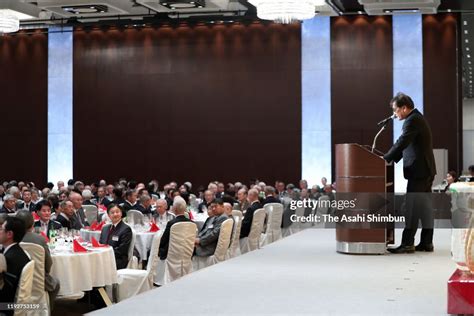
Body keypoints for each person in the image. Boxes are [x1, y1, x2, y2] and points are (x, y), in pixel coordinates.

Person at [383, 93, 436, 253]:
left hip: (419, 172)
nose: (394, 114)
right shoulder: (416, 118)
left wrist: (385, 158)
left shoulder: (412, 120)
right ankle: (426, 243)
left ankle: (407, 243)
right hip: (425, 170)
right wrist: (391, 159)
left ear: (404, 108)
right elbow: (407, 144)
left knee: (412, 208)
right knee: (425, 208)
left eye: (395, 110)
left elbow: (402, 141)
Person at [17, 211, 60, 310]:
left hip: (15, 278)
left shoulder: (11, 237)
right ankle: (46, 309)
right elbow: (48, 264)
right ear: (32, 223)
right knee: (56, 284)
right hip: (38, 279)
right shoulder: (39, 239)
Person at [0, 217, 30, 314]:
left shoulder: (9, 259)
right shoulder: (18, 251)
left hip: (6, 306)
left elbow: (5, 292)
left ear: (9, 234)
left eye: (1, 229)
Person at [99, 204, 132, 269]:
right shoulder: (105, 228)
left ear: (121, 213)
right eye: (112, 212)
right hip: (104, 257)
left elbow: (122, 250)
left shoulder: (126, 229)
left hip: (117, 259)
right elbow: (100, 244)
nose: (115, 214)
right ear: (108, 215)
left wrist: (106, 254)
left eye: (117, 212)